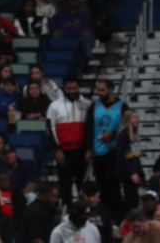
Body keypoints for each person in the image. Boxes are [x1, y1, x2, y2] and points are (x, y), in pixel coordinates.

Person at [47, 75, 91, 207]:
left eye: (75, 88)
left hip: (82, 151)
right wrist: (57, 149)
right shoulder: (54, 106)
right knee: (65, 186)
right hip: (64, 152)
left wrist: (89, 149)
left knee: (83, 185)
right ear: (64, 88)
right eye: (69, 88)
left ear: (79, 87)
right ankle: (67, 213)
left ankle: (85, 211)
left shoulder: (88, 104)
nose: (72, 91)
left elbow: (90, 129)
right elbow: (51, 128)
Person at [85, 79, 127, 217]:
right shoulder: (94, 107)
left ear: (111, 89)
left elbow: (128, 128)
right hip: (98, 151)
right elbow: (89, 128)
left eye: (103, 90)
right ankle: (102, 214)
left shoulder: (122, 106)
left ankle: (117, 215)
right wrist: (89, 149)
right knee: (100, 185)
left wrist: (113, 134)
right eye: (98, 90)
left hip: (115, 151)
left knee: (114, 185)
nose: (99, 93)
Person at [115, 109, 144, 219]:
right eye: (134, 117)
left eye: (138, 117)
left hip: (133, 171)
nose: (137, 120)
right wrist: (131, 173)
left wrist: (139, 172)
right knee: (130, 200)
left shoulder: (134, 135)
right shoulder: (124, 135)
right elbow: (122, 157)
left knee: (134, 199)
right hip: (127, 173)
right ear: (128, 120)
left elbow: (135, 156)